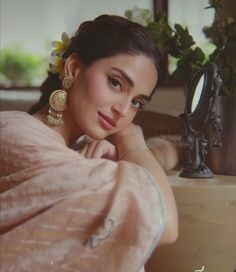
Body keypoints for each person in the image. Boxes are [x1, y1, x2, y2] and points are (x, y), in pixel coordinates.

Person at [0, 15, 178, 272]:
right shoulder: (18, 136)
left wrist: (122, 153)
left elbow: (171, 151)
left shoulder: (79, 149)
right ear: (73, 68)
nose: (123, 110)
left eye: (137, 102)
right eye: (115, 82)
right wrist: (131, 142)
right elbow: (165, 224)